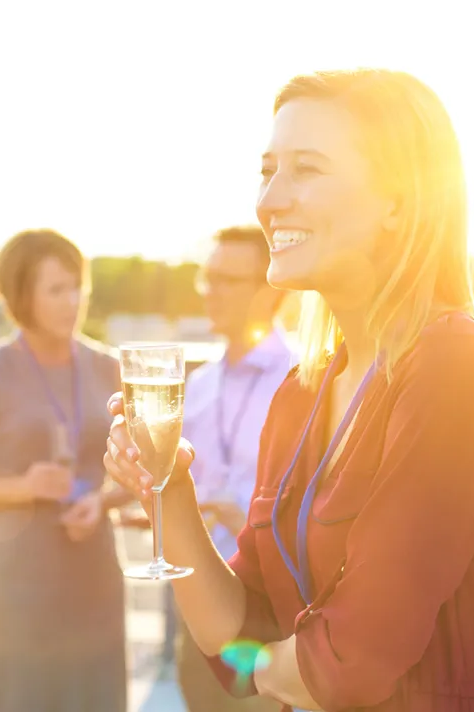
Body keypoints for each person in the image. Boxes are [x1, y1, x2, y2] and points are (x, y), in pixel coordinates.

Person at [104, 69, 474, 711]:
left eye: (306, 169)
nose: (269, 200)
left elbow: (348, 667)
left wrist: (278, 668)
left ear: (400, 199)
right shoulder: (301, 393)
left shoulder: (462, 370)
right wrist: (170, 489)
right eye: (267, 170)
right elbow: (234, 644)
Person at [0, 229, 130, 712]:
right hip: (13, 589)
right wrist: (22, 488)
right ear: (19, 296)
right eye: (56, 289)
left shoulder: (110, 368)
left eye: (78, 286)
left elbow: (138, 470)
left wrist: (103, 499)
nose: (73, 301)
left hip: (94, 578)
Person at [177, 227, 291, 712]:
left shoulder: (305, 379)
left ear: (268, 290)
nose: (211, 290)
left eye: (227, 279)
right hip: (199, 608)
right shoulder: (199, 384)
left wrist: (239, 516)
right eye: (209, 277)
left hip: (269, 609)